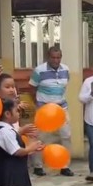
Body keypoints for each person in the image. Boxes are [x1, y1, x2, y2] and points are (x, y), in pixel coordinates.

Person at [28, 45, 74, 177]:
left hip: (61, 108)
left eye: (58, 57)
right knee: (40, 137)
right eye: (53, 58)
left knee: (66, 136)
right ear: (48, 57)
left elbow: (64, 86)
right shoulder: (39, 70)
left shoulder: (66, 69)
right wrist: (39, 103)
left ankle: (64, 166)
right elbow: (32, 88)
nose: (56, 60)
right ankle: (38, 166)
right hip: (45, 109)